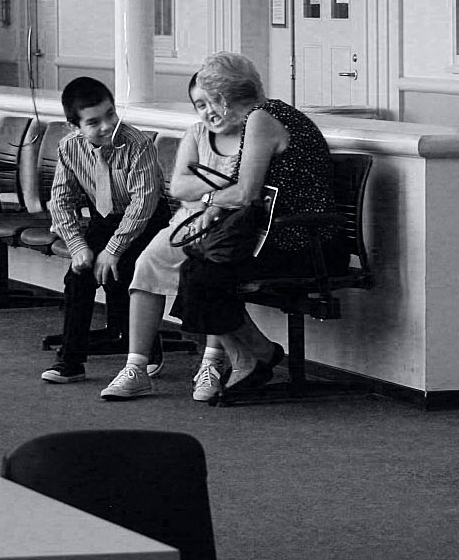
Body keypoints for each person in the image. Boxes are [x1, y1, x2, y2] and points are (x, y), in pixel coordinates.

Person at [144, 51, 343, 396]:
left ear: (221, 98)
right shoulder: (268, 113)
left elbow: (245, 194)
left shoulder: (262, 120)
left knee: (203, 275)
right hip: (286, 235)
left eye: (209, 101)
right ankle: (254, 356)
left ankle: (257, 358)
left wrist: (206, 203)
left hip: (308, 243)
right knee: (197, 270)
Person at [99, 74, 253, 403]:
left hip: (233, 229)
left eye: (213, 101)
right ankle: (136, 368)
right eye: (199, 104)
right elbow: (179, 188)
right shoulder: (196, 134)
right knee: (147, 262)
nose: (208, 110)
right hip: (187, 222)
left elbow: (246, 193)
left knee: (210, 272)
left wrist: (208, 191)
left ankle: (211, 363)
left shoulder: (251, 135)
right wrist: (221, 190)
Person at [40, 76, 169, 384]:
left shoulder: (138, 144)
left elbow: (143, 204)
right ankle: (70, 361)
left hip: (147, 220)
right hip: (104, 218)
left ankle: (149, 350)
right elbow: (60, 201)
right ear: (75, 126)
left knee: (125, 269)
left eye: (110, 114)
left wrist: (112, 250)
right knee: (78, 275)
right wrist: (77, 246)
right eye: (93, 122)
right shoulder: (69, 148)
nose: (106, 126)